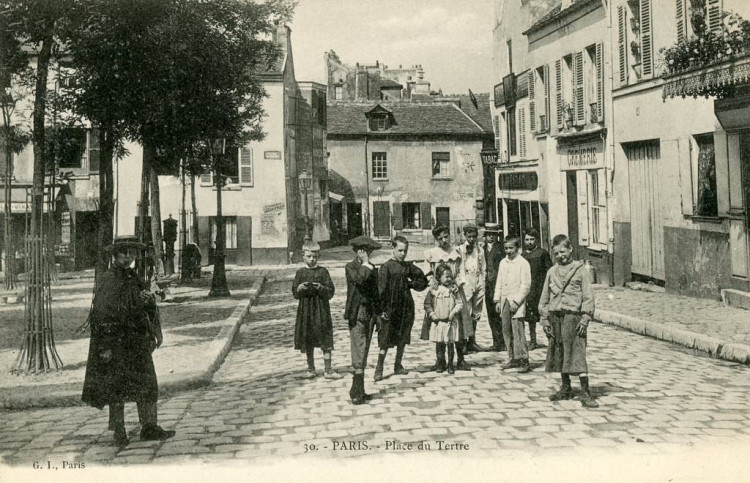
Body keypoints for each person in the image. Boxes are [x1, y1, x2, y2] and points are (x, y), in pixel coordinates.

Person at [82, 236, 176, 447]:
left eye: (132, 252)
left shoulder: (132, 276)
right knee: (117, 387)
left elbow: (143, 303)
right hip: (117, 342)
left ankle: (150, 427)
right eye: (125, 252)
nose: (129, 256)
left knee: (147, 383)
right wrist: (105, 347)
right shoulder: (109, 279)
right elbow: (102, 314)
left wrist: (148, 301)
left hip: (137, 341)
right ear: (115, 255)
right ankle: (119, 431)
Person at [539, 234, 598, 408]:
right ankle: (565, 387)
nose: (560, 256)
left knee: (578, 353)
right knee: (559, 352)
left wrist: (586, 317)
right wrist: (545, 320)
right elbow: (544, 299)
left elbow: (588, 296)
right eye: (556, 253)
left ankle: (586, 392)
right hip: (556, 317)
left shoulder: (580, 270)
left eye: (563, 252)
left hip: (574, 319)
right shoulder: (551, 272)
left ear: (570, 249)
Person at [375, 236, 429, 381]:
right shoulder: (385, 267)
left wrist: (411, 284)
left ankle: (398, 365)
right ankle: (379, 368)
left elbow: (422, 280)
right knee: (385, 339)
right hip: (390, 308)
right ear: (392, 249)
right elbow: (381, 291)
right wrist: (382, 310)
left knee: (403, 336)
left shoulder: (407, 266)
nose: (402, 254)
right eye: (399, 250)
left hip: (405, 307)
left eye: (405, 251)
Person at [424, 225, 473, 371]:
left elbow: (461, 271)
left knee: (459, 327)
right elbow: (428, 272)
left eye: (446, 237)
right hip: (439, 294)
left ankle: (461, 359)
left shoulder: (456, 252)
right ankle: (440, 361)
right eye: (440, 238)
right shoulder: (432, 253)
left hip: (454, 291)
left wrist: (457, 284)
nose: (444, 240)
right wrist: (432, 282)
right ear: (436, 239)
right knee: (439, 326)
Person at [291, 240, 341, 380]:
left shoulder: (323, 272)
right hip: (306, 311)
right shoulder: (300, 272)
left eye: (315, 257)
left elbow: (331, 291)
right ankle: (310, 368)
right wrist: (299, 288)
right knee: (308, 338)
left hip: (321, 310)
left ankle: (328, 369)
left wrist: (321, 288)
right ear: (303, 256)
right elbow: (295, 293)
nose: (312, 259)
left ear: (318, 256)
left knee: (325, 338)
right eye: (309, 256)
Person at [344, 235, 382, 405]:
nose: (368, 254)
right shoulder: (351, 267)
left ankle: (358, 388)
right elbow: (359, 279)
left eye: (370, 252)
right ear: (358, 251)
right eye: (365, 251)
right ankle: (356, 391)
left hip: (369, 312)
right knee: (358, 348)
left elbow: (376, 292)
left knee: (364, 348)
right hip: (356, 312)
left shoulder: (372, 268)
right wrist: (366, 264)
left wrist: (379, 314)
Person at [494, 235, 532, 373]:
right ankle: (512, 357)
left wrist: (517, 301)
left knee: (518, 331)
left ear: (518, 248)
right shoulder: (503, 263)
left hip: (517, 302)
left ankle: (523, 359)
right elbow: (499, 282)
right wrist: (497, 299)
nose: (508, 251)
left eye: (511, 248)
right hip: (504, 300)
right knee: (506, 330)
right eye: (506, 248)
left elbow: (526, 285)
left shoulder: (523, 263)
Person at [423, 264, 463, 374]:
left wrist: (453, 312)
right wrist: (432, 315)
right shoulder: (433, 291)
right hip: (438, 322)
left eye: (450, 276)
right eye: (446, 276)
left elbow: (459, 303)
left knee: (450, 344)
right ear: (438, 277)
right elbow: (427, 304)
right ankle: (440, 363)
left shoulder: (454, 290)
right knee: (439, 345)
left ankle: (450, 364)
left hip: (450, 322)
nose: (449, 279)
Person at [456, 224, 486, 353]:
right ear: (465, 236)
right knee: (465, 312)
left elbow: (483, 266)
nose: (472, 239)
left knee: (476, 311)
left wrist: (482, 280)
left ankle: (472, 341)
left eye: (474, 236)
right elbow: (459, 267)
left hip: (478, 279)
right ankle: (463, 342)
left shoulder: (480, 249)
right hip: (466, 280)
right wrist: (461, 283)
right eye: (470, 236)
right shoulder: (460, 249)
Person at [523, 228, 553, 351]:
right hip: (529, 290)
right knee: (530, 317)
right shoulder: (523, 255)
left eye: (532, 239)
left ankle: (551, 339)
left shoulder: (542, 253)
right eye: (527, 239)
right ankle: (533, 340)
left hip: (540, 289)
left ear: (536, 240)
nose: (529, 242)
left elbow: (549, 271)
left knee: (545, 315)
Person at [482, 223, 506, 352]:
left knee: (500, 314)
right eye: (488, 235)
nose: (490, 237)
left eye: (493, 235)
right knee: (491, 314)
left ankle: (504, 341)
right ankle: (496, 341)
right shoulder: (482, 249)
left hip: (498, 283)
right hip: (487, 285)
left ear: (497, 236)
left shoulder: (502, 249)